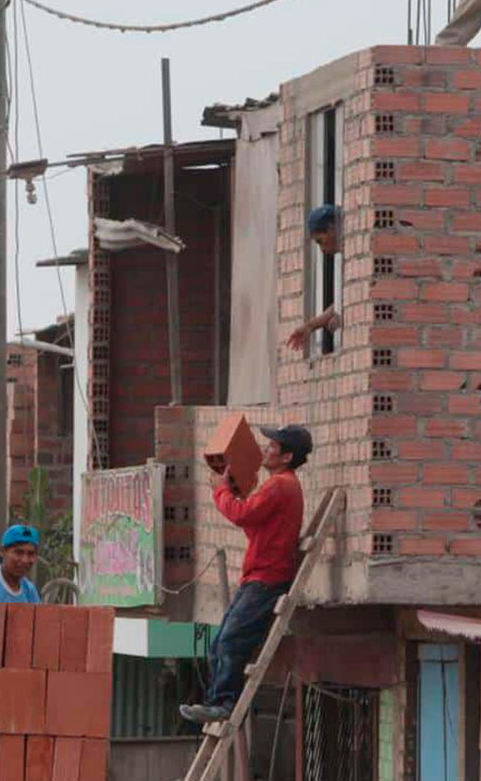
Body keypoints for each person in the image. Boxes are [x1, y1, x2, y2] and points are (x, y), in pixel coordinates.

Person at [179, 424, 311, 724]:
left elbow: (241, 515)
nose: (266, 448)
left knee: (231, 642)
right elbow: (253, 524)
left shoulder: (280, 485)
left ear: (287, 456)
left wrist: (221, 491)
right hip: (258, 576)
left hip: (267, 578)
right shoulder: (280, 485)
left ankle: (223, 705)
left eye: (273, 446)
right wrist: (234, 492)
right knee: (219, 642)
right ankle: (215, 702)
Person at [288, 204, 341, 351]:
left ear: (331, 229)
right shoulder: (344, 259)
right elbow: (343, 302)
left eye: (320, 241)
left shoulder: (356, 257)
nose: (322, 250)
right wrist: (310, 326)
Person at [0, 523, 42, 604]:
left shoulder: (29, 591)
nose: (25, 560)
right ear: (2, 551)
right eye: (19, 552)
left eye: (30, 554)